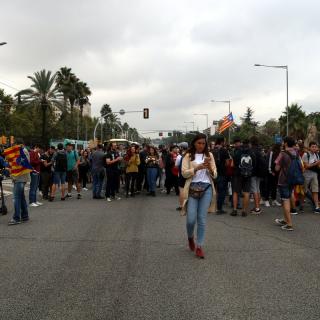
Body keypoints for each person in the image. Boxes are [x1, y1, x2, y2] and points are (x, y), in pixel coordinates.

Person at [181, 133, 217, 259]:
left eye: (203, 143)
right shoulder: (188, 155)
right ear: (194, 143)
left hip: (206, 188)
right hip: (192, 188)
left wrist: (209, 169)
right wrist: (196, 169)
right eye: (199, 143)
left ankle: (199, 246)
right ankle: (190, 237)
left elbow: (215, 174)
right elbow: (184, 174)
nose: (201, 145)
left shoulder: (209, 155)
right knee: (191, 219)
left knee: (201, 219)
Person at [274, 136, 303, 231]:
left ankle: (289, 224)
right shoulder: (296, 153)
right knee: (287, 197)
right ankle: (285, 219)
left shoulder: (283, 154)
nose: (282, 143)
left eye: (283, 142)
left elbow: (277, 168)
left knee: (285, 200)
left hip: (284, 180)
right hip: (293, 180)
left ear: (286, 143)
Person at [231, 139, 256, 217]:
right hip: (248, 175)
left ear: (242, 144)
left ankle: (234, 210)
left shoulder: (238, 152)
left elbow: (233, 164)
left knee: (235, 192)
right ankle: (244, 211)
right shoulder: (252, 153)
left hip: (238, 175)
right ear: (249, 144)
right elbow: (254, 165)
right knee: (246, 193)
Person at [7, 141, 30, 225]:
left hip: (19, 178)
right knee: (21, 197)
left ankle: (16, 218)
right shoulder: (24, 151)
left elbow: (20, 164)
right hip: (22, 178)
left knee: (16, 198)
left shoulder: (21, 151)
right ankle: (25, 215)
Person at [212, 137, 230, 214]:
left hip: (213, 173)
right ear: (222, 142)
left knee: (213, 190)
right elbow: (227, 163)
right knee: (222, 191)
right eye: (224, 141)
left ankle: (211, 207)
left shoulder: (212, 150)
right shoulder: (224, 150)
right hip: (222, 173)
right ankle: (219, 209)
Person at [301, 141, 320, 213]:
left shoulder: (317, 154)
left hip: (314, 174)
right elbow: (306, 166)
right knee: (304, 190)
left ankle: (317, 207)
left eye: (315, 147)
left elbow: (318, 165)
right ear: (309, 147)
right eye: (313, 147)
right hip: (306, 174)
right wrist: (316, 163)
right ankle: (301, 204)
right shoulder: (306, 154)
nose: (314, 148)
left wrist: (317, 164)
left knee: (315, 190)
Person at [175, 142, 188, 210]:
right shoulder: (190, 155)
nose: (178, 149)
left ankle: (182, 205)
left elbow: (176, 166)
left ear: (182, 148)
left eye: (179, 147)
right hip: (188, 175)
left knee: (181, 190)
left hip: (182, 175)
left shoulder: (180, 156)